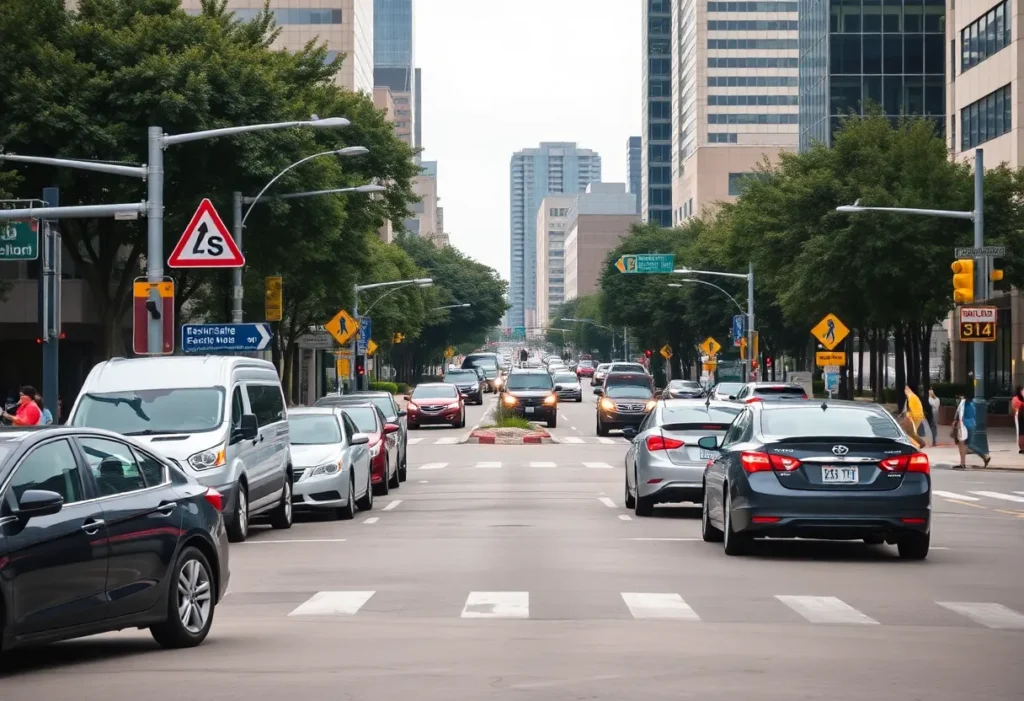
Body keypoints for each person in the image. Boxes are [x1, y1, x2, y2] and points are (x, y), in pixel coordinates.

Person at [1012, 386, 1024, 454]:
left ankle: (1021, 447)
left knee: (1020, 431)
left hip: (1019, 415)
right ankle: (1021, 447)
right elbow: (1015, 407)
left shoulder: (1015, 399)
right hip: (1019, 415)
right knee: (1020, 431)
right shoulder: (1016, 399)